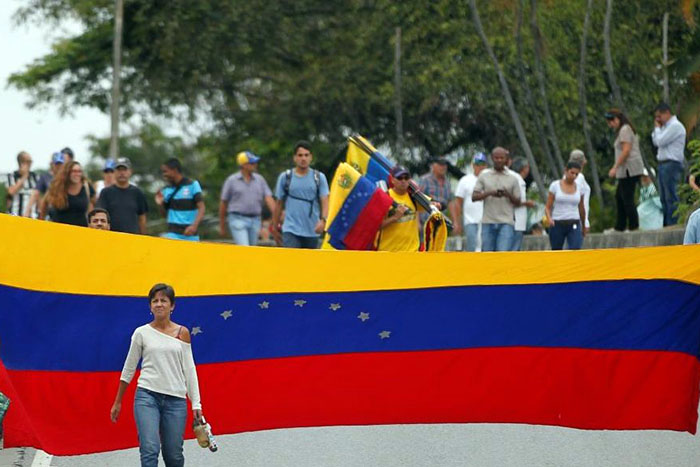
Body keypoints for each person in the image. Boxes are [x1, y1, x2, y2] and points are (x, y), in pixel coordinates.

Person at [110, 283, 203, 467]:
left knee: (173, 455)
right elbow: (129, 368)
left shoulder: (182, 333)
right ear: (150, 306)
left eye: (164, 300)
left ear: (172, 305)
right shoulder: (141, 333)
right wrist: (118, 401)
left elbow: (189, 370)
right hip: (147, 397)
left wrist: (196, 403)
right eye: (155, 301)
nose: (159, 304)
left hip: (175, 401)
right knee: (149, 449)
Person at [272, 141, 329, 249]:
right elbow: (278, 203)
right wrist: (274, 227)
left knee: (309, 259)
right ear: (295, 158)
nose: (303, 158)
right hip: (291, 228)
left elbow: (325, 201)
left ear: (311, 157)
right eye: (300, 155)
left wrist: (323, 220)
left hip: (312, 229)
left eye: (306, 155)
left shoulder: (319, 177)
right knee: (292, 258)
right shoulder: (285, 177)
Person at [218, 151, 275, 246]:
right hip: (237, 218)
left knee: (251, 249)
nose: (255, 165)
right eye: (252, 163)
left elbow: (269, 198)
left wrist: (276, 216)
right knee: (244, 246)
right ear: (244, 165)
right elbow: (224, 203)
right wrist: (222, 225)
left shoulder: (260, 180)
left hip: (255, 220)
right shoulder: (231, 181)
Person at [472, 147, 521, 252]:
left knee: (503, 254)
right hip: (488, 221)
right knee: (487, 254)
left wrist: (507, 194)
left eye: (501, 158)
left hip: (506, 222)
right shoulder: (484, 176)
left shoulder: (513, 178)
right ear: (492, 158)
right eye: (496, 158)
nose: (499, 160)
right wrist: (490, 193)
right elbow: (474, 197)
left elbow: (518, 202)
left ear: (506, 159)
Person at [605, 108, 644, 231]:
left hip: (629, 169)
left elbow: (626, 150)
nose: (610, 125)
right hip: (625, 170)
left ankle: (633, 226)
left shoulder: (625, 129)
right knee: (619, 196)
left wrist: (615, 167)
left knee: (627, 198)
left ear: (617, 119)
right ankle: (620, 226)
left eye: (611, 121)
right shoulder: (622, 130)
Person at [652, 102, 687, 226]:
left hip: (672, 164)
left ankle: (673, 222)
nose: (658, 119)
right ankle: (667, 223)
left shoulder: (675, 126)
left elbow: (660, 141)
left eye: (659, 116)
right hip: (663, 164)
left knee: (671, 195)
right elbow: (655, 141)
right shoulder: (665, 127)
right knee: (663, 197)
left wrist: (657, 129)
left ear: (667, 113)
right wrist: (658, 129)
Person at [155, 158, 205, 241]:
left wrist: (194, 226)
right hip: (172, 234)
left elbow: (202, 208)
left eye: (165, 171)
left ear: (174, 170)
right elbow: (165, 215)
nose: (164, 175)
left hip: (190, 235)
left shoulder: (192, 185)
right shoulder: (166, 190)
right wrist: (160, 204)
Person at [376, 166, 423, 252]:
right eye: (399, 178)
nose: (403, 181)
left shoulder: (414, 196)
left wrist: (436, 205)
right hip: (388, 252)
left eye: (406, 178)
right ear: (392, 180)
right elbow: (376, 226)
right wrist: (394, 218)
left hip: (412, 252)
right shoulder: (385, 196)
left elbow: (434, 205)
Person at [97, 157, 148, 234]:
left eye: (124, 170)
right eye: (119, 170)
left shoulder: (137, 193)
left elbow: (142, 218)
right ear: (114, 172)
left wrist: (143, 236)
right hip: (111, 237)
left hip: (132, 237)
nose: (122, 173)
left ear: (130, 171)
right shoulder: (106, 192)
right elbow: (100, 216)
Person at [545, 161, 586, 250]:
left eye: (576, 174)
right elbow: (548, 207)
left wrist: (583, 225)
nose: (574, 176)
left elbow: (581, 208)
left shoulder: (580, 187)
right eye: (572, 173)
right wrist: (549, 218)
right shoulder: (555, 185)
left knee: (575, 248)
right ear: (566, 171)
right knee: (556, 250)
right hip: (558, 222)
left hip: (574, 222)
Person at [42, 161, 96, 226]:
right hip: (59, 227)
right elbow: (44, 203)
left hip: (80, 228)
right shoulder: (57, 186)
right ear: (67, 173)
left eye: (79, 171)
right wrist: (42, 221)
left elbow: (93, 205)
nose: (77, 174)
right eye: (74, 171)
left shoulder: (86, 186)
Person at [418, 157, 460, 235]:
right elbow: (417, 199)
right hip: (425, 222)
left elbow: (450, 202)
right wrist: (417, 222)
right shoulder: (425, 180)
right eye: (440, 164)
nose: (443, 167)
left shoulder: (447, 183)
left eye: (444, 165)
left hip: (441, 223)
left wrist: (455, 222)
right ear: (433, 166)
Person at [455, 152, 488, 252]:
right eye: (477, 164)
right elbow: (458, 202)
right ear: (473, 165)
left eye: (483, 164)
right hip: (470, 221)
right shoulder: (465, 180)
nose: (480, 167)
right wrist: (457, 222)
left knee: (485, 248)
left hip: (487, 221)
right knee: (472, 248)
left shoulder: (490, 179)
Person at [508, 157, 536, 251]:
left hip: (518, 222)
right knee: (514, 250)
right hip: (516, 222)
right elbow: (513, 201)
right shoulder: (517, 180)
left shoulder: (517, 179)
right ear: (524, 168)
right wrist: (527, 203)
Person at [26, 152, 65, 218]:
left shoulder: (66, 178)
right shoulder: (45, 177)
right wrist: (28, 210)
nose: (59, 166)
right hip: (49, 211)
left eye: (61, 164)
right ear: (52, 164)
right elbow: (35, 193)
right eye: (57, 164)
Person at [5, 151, 38, 217]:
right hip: (14, 215)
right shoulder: (11, 176)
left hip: (31, 217)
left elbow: (38, 196)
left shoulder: (34, 177)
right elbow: (11, 192)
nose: (30, 164)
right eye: (28, 161)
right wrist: (24, 176)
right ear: (21, 162)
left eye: (31, 161)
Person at [568, 149, 591, 234]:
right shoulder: (578, 177)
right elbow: (577, 201)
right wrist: (584, 223)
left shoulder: (569, 176)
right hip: (577, 220)